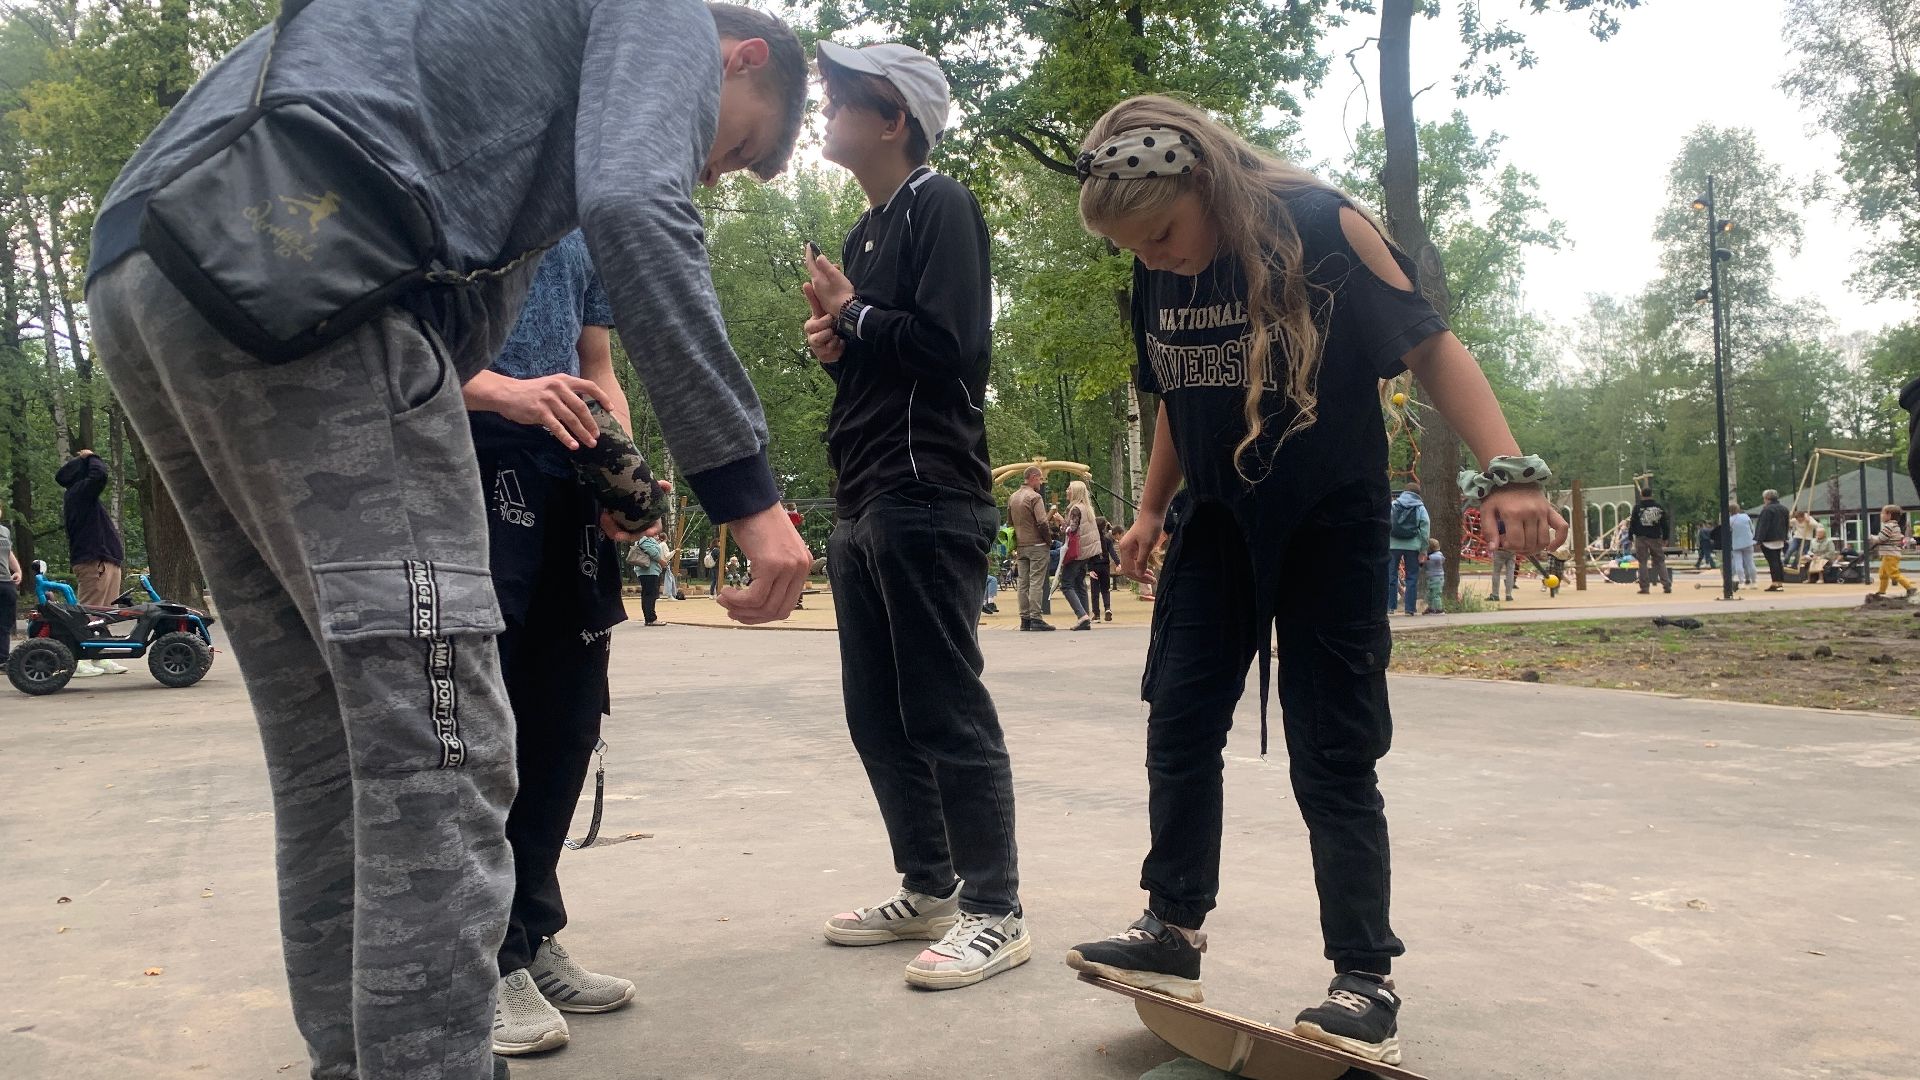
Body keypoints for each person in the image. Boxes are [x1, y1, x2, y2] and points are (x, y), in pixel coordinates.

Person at [84, 5, 812, 1078]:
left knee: (332, 749)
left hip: (160, 256)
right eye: (736, 146)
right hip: (311, 266)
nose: (710, 172)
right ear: (740, 58)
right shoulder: (658, 11)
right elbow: (635, 201)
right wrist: (745, 490)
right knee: (443, 750)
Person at [1059, 96, 1566, 1066]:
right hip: (1216, 522)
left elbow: (1430, 346)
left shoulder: (1323, 225)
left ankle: (1364, 979)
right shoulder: (1154, 260)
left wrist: (1509, 472)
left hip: (1329, 523)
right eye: (1136, 250)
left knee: (1332, 752)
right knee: (1179, 721)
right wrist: (1153, 509)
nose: (1155, 260)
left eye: (1162, 237)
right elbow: (1174, 389)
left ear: (1204, 183)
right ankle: (1171, 930)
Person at [803, 40, 1030, 989]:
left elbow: (951, 348)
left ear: (893, 117)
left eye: (839, 98)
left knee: (943, 706)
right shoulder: (863, 231)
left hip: (927, 490)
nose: (823, 111)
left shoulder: (941, 203)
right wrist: (840, 346)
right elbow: (888, 363)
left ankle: (996, 907)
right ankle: (931, 886)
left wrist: (854, 316)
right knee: (877, 712)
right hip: (863, 493)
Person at [458, 231, 648, 1056]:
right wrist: (504, 392)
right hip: (467, 462)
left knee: (566, 717)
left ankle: (531, 935)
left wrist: (621, 465)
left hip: (567, 475)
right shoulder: (457, 201)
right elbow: (395, 350)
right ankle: (483, 962)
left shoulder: (580, 226)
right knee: (478, 727)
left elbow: (596, 362)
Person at [56, 449, 130, 676]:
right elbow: (99, 476)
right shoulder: (78, 493)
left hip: (105, 560)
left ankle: (98, 656)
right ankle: (75, 659)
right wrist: (91, 457)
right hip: (93, 561)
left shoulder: (85, 497)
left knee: (102, 614)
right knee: (87, 612)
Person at [1009, 467, 1056, 631]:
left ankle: (1025, 619)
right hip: (1037, 545)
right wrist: (1048, 540)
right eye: (1040, 479)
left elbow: (1010, 523)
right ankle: (1036, 618)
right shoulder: (1035, 497)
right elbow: (1042, 522)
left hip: (1021, 546)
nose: (1041, 482)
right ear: (1034, 477)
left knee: (1023, 583)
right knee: (1036, 582)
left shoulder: (1013, 497)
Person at [1058, 480, 1101, 630]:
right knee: (1079, 583)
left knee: (1066, 584)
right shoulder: (1087, 508)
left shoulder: (1075, 509)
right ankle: (1086, 617)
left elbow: (1072, 529)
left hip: (1077, 552)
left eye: (1069, 489)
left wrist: (1061, 522)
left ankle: (1082, 615)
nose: (1067, 491)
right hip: (1087, 552)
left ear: (1075, 492)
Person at [1385, 479, 1429, 616]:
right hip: (1413, 546)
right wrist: (1423, 549)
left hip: (1393, 545)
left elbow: (1386, 522)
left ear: (1404, 492)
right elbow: (1425, 528)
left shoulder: (1393, 505)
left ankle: (1390, 607)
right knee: (1412, 577)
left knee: (1391, 575)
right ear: (1418, 494)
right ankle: (1409, 609)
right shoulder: (1420, 507)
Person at [1627, 486, 1671, 595]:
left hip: (1641, 537)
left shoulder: (1637, 508)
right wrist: (1665, 537)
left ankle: (1645, 587)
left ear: (1641, 495)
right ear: (1652, 494)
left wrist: (1630, 536)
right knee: (1660, 561)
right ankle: (1666, 585)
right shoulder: (1658, 507)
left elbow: (1632, 523)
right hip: (1655, 537)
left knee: (1642, 562)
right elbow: (1664, 524)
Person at [1871, 503, 1916, 598]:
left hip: (1890, 554)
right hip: (1890, 554)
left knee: (1893, 573)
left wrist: (1872, 538)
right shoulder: (1895, 526)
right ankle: (1881, 591)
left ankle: (1910, 588)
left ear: (1889, 515)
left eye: (1882, 513)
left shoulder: (1889, 526)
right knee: (1883, 574)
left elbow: (1881, 539)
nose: (1881, 515)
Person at [631, 523, 669, 626]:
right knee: (650, 595)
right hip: (649, 571)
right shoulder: (645, 539)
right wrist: (661, 561)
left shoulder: (644, 538)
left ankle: (649, 618)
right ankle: (651, 618)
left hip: (648, 571)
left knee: (647, 594)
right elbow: (653, 552)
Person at [1756, 489, 1790, 592]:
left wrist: (1759, 539)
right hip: (1780, 538)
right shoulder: (1784, 509)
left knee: (1772, 561)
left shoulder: (1767, 510)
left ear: (1767, 498)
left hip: (1769, 539)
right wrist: (1785, 536)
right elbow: (1787, 524)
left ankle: (1775, 582)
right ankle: (1779, 582)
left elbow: (1763, 525)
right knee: (1778, 560)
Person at [0, 499, 18, 669]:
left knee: (5, 624)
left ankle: (2, 659)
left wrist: (17, 570)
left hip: (6, 582)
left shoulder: (4, 531)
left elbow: (9, 552)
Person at [1089, 517, 1118, 622]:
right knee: (1105, 589)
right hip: (1105, 566)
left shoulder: (1092, 540)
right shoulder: (1107, 540)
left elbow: (1089, 555)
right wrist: (1118, 563)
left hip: (1095, 566)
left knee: (1095, 592)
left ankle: (1096, 614)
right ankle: (1107, 608)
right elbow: (1113, 553)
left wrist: (1090, 568)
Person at [1728, 502, 1757, 586]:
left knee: (1738, 563)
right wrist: (1753, 538)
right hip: (1748, 542)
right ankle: (1754, 582)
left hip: (1736, 544)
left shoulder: (1729, 520)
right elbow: (1752, 528)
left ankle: (1741, 581)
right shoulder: (1745, 516)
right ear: (1738, 509)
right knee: (1750, 562)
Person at [1421, 539, 1445, 615]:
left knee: (1436, 594)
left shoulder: (1437, 555)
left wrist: (1426, 558)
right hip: (1431, 578)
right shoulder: (1432, 555)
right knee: (1430, 594)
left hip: (1437, 578)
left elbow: (1438, 558)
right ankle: (1431, 608)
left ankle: (1439, 609)